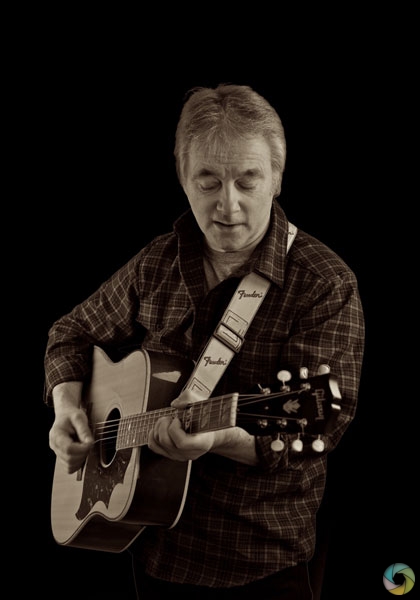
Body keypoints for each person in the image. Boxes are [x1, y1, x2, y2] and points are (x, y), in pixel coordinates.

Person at [44, 83, 365, 600]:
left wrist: (218, 438)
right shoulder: (158, 261)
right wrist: (67, 409)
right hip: (153, 546)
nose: (227, 205)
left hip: (260, 558)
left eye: (247, 180)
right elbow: (70, 334)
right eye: (208, 181)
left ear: (277, 179)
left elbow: (320, 420)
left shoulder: (325, 283)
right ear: (183, 179)